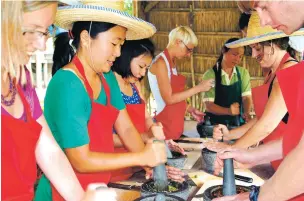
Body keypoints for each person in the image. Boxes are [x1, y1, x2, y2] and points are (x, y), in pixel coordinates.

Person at [35, 1, 168, 200]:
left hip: (97, 191)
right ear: (86, 38)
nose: (118, 53)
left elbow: (127, 129)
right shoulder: (67, 83)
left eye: (121, 45)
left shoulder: (107, 79)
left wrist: (148, 161)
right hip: (62, 193)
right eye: (114, 44)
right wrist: (141, 156)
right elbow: (81, 159)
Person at [1, 1, 116, 201]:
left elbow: (49, 151)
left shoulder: (21, 79)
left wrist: (81, 198)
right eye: (33, 30)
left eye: (46, 31)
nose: (41, 44)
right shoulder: (68, 82)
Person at [210, 1, 304, 200]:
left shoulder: (288, 71)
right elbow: (294, 138)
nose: (253, 55)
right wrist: (245, 149)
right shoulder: (273, 74)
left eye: (256, 47)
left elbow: (266, 125)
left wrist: (255, 197)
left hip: (291, 176)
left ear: (272, 42)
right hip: (283, 169)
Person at [111, 38, 185, 182]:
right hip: (117, 165)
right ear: (127, 58)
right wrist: (145, 136)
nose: (143, 73)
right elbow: (109, 137)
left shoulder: (135, 85)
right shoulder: (111, 83)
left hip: (140, 163)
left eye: (146, 68)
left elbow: (146, 118)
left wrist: (161, 139)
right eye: (141, 66)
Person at [148, 26, 214, 140]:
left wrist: (189, 109)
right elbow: (168, 99)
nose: (189, 54)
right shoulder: (161, 63)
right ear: (178, 42)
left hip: (174, 125)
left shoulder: (172, 63)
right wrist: (198, 88)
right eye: (188, 49)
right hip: (164, 125)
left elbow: (175, 95)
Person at [203, 37, 252, 126]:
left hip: (236, 123)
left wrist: (247, 112)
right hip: (214, 125)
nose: (237, 59)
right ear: (224, 51)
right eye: (234, 54)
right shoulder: (210, 75)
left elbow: (246, 98)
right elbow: (209, 106)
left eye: (240, 56)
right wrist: (229, 111)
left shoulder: (243, 73)